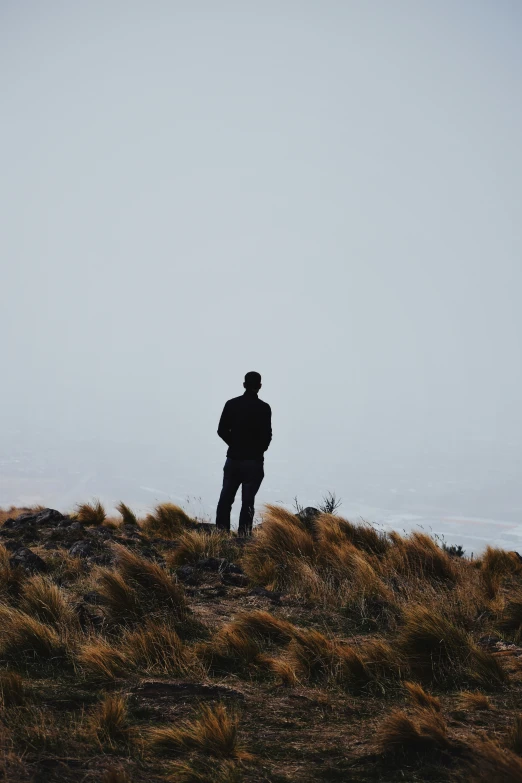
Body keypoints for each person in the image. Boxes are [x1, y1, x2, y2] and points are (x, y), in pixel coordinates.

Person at [215, 371, 272, 536]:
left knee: (226, 498)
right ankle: (243, 536)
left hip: (233, 459)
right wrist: (258, 450)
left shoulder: (231, 404)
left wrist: (234, 444)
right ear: (259, 386)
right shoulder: (264, 408)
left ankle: (221, 533)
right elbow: (267, 436)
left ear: (244, 384)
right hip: (253, 462)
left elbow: (221, 430)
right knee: (248, 502)